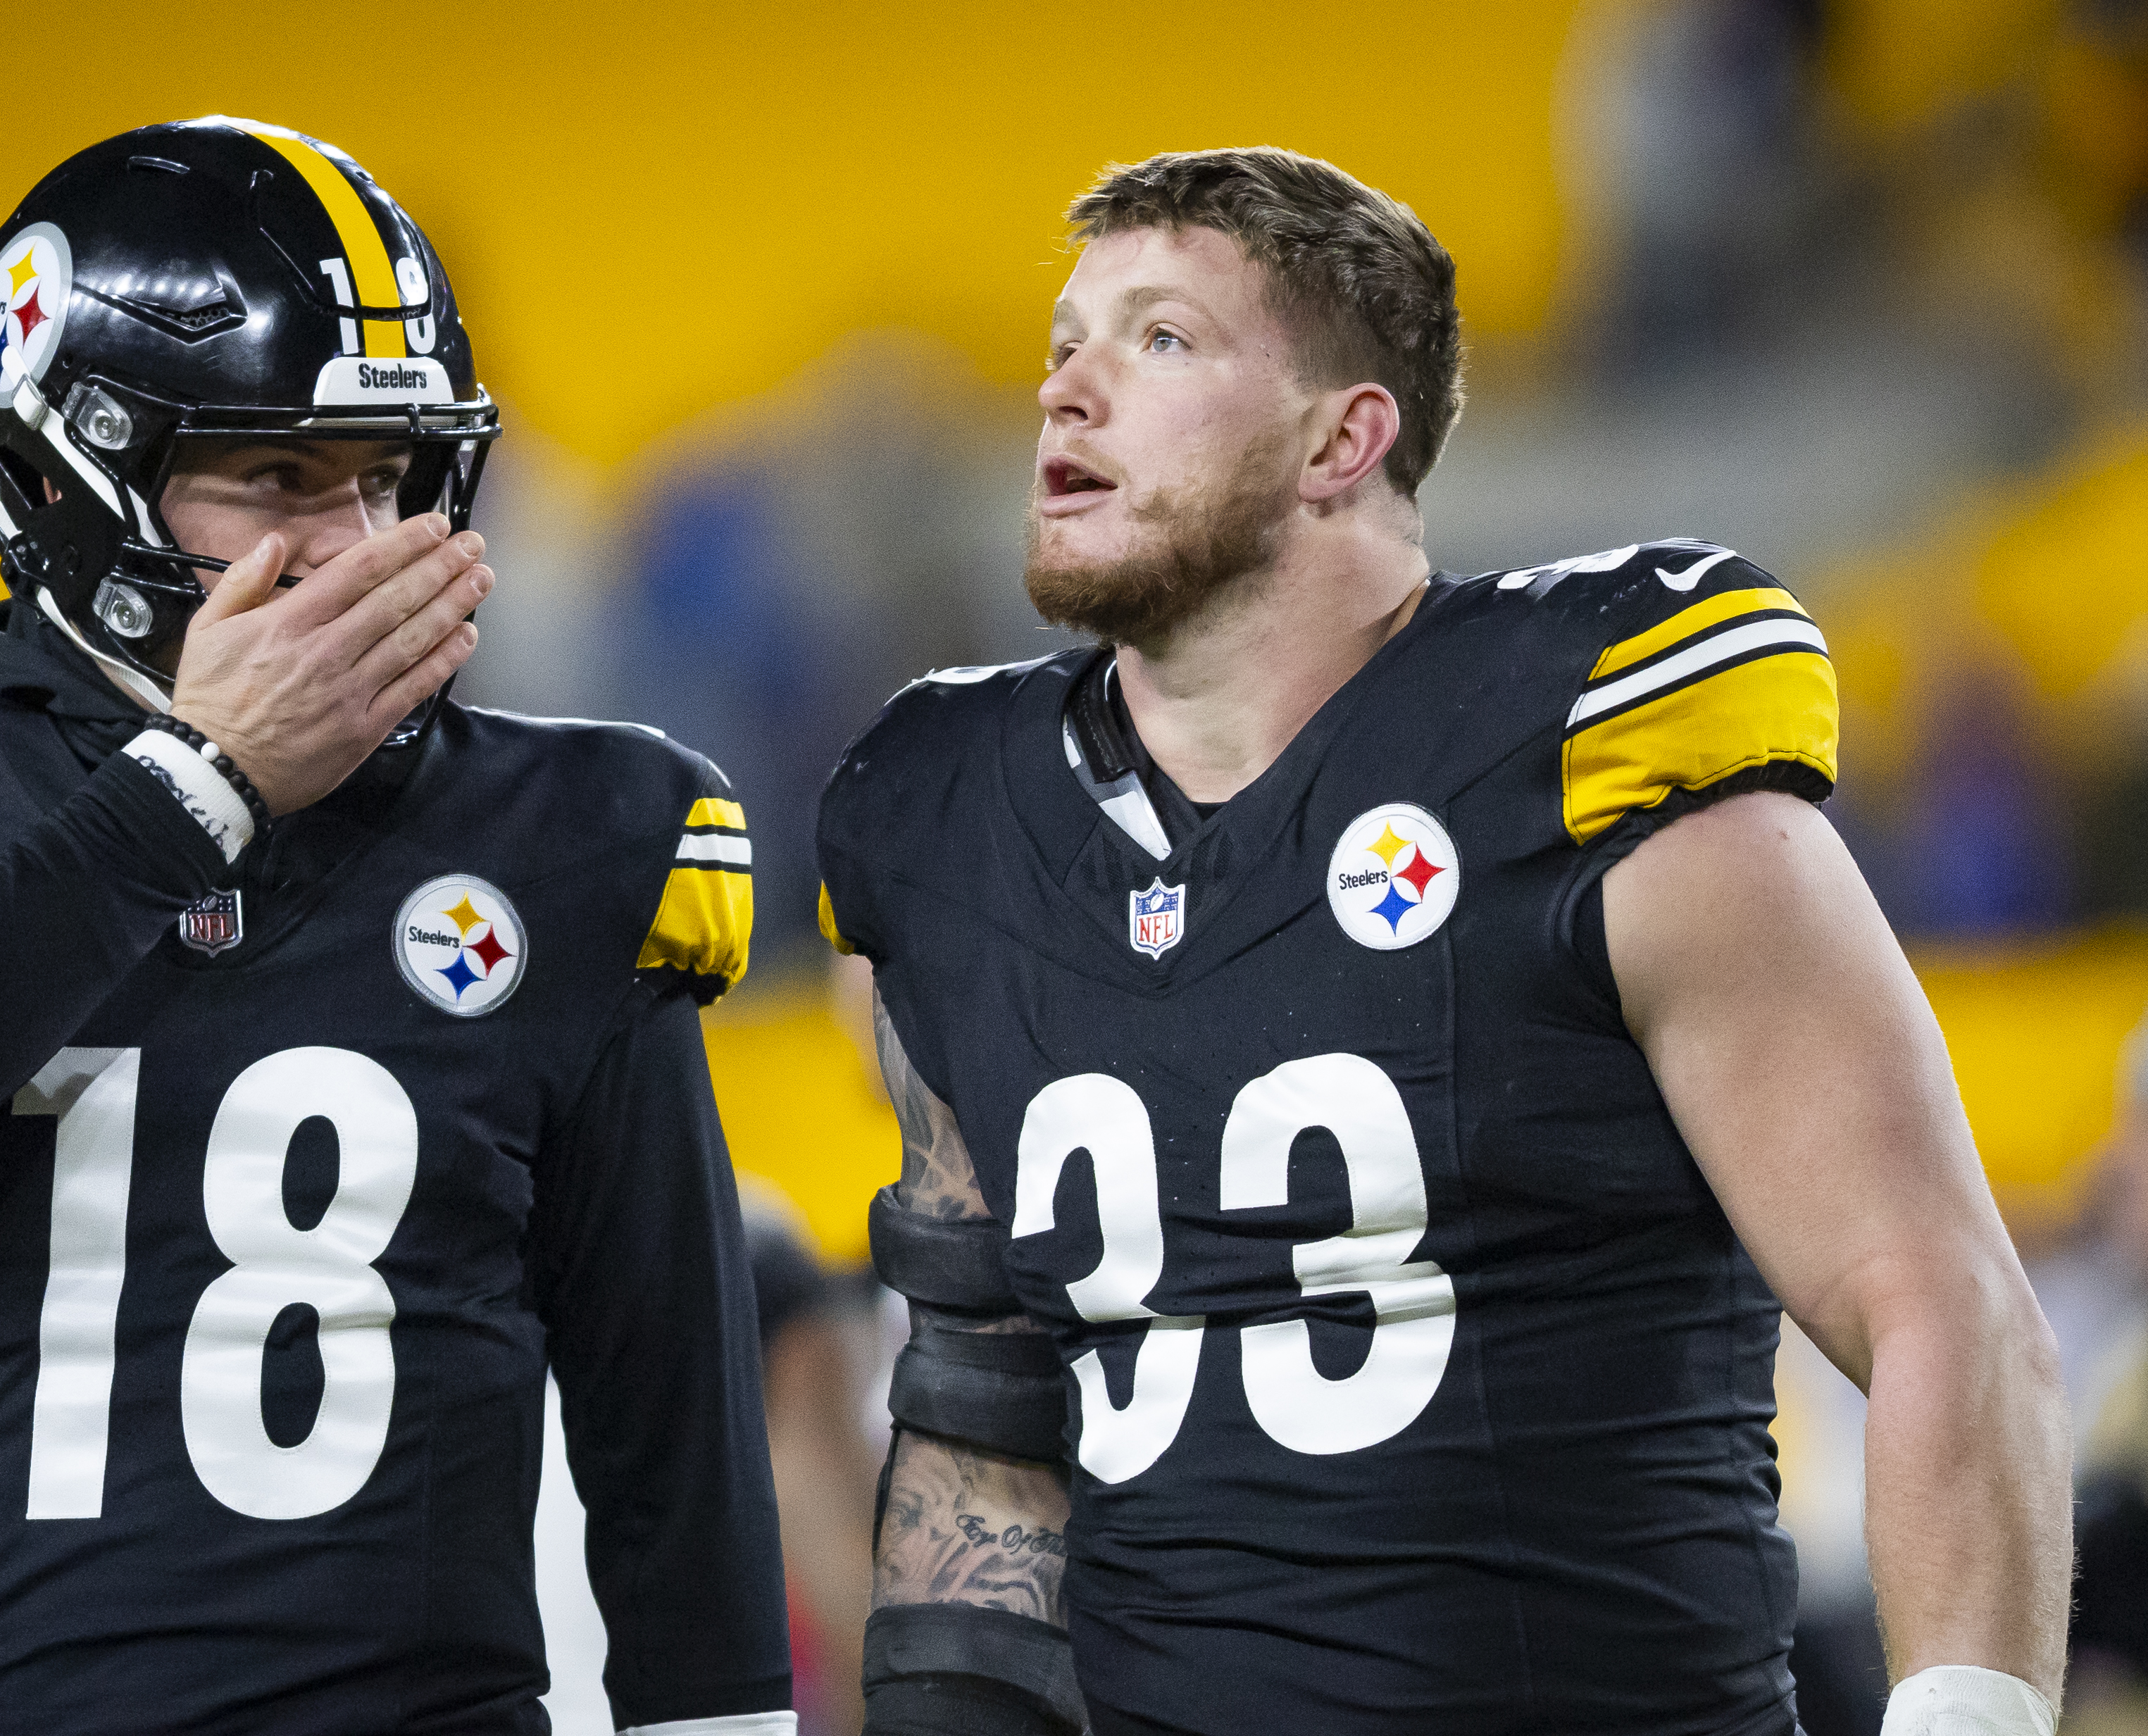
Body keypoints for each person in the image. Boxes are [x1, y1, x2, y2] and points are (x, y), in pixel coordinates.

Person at [817, 148, 2070, 1736]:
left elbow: (1940, 1302)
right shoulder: (950, 824)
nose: (1067, 387)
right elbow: (981, 1412)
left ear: (1342, 439)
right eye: (1066, 342)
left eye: (1160, 339)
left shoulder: (1591, 754)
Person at [0, 117, 792, 1736]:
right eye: (277, 478)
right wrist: (199, 791)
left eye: (386, 481)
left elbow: (661, 1399)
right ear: (64, 476)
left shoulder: (577, 827)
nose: (359, 550)